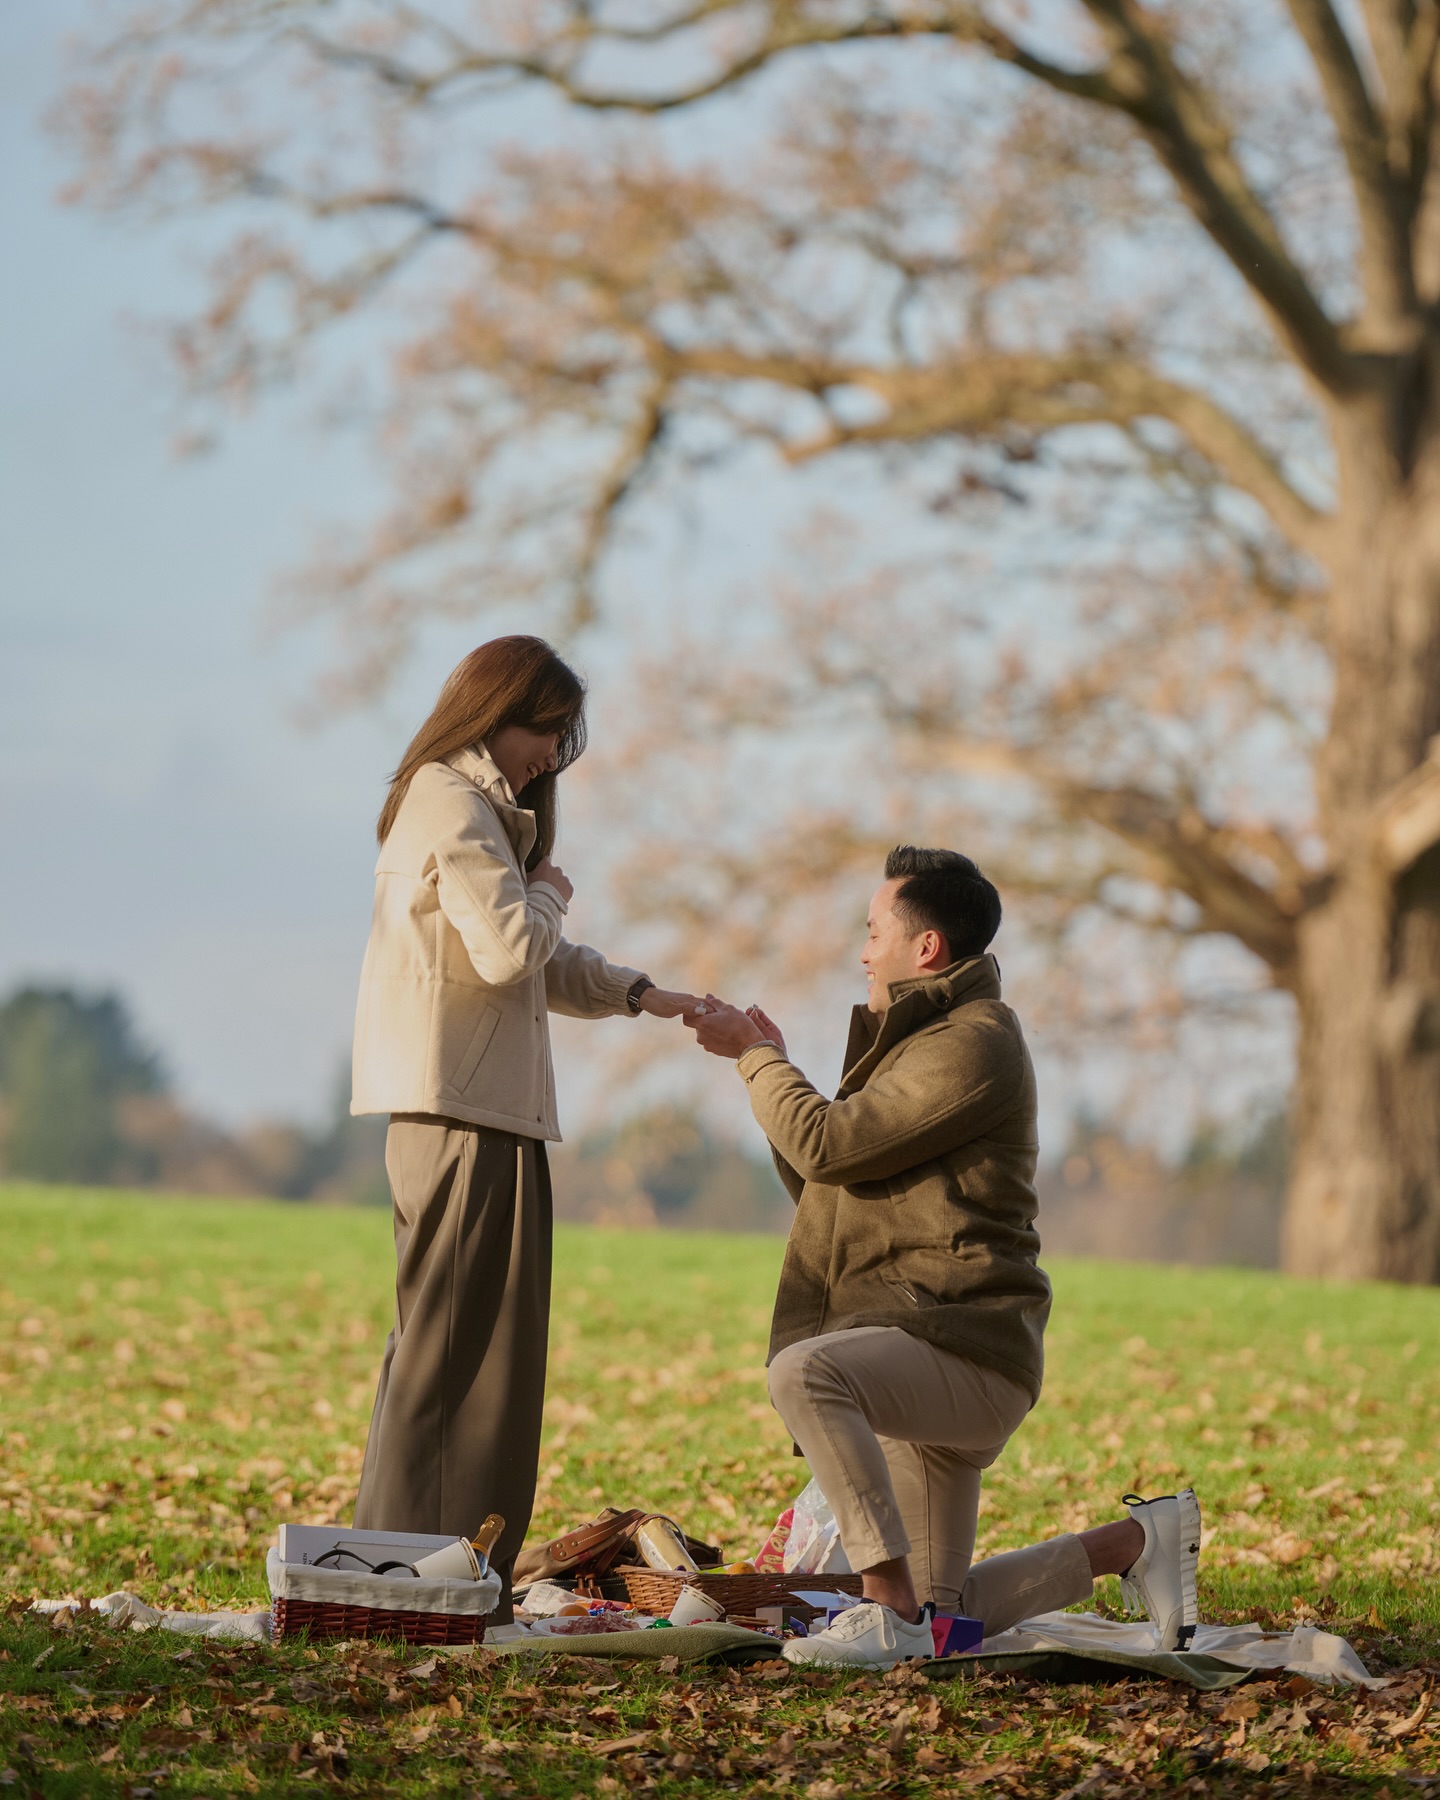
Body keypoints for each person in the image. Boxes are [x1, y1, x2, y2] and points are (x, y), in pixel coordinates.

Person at [687, 845, 1200, 1668]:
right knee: (942, 1624)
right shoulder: (922, 1042)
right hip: (918, 1339)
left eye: (872, 931)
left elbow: (826, 1144)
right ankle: (1134, 1543)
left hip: (961, 1344)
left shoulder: (974, 1041)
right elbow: (831, 1179)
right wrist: (770, 1064)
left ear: (925, 947)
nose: (862, 952)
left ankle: (884, 1605)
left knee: (805, 1374)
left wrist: (758, 1058)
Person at [350, 636, 698, 1613]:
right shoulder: (449, 801)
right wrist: (549, 888)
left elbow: (528, 962)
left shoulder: (465, 807)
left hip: (479, 1112)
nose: (553, 754)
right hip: (464, 1114)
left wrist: (642, 994)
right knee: (456, 1367)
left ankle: (430, 1576)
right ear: (497, 709)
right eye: (548, 730)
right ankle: (417, 1579)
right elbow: (514, 946)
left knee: (462, 1361)